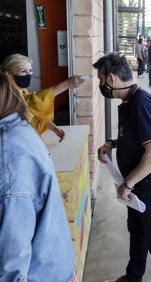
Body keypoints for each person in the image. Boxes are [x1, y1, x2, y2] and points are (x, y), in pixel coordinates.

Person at [94, 52, 151, 282]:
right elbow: (138, 137)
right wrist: (113, 144)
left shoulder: (142, 103)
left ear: (111, 79)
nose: (101, 85)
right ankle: (133, 277)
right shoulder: (128, 101)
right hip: (139, 186)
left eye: (101, 80)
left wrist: (128, 183)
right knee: (137, 234)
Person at [0, 72, 76, 281]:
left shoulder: (8, 157)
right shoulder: (18, 125)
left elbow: (13, 259)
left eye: (28, 71)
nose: (28, 75)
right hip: (53, 262)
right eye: (22, 71)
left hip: (40, 272)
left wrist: (68, 83)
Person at [1, 53, 85, 142]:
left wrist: (53, 127)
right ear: (8, 74)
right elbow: (34, 103)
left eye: (30, 71)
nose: (28, 74)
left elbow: (32, 116)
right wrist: (65, 84)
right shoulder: (5, 97)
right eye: (23, 71)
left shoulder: (22, 91)